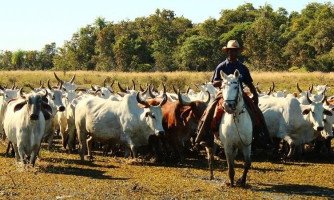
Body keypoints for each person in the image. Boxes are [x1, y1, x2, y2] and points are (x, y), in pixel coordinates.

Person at [194, 40, 273, 150]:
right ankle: (202, 137)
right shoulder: (221, 66)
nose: (233, 53)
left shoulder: (242, 67)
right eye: (231, 51)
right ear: (227, 52)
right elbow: (214, 82)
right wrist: (226, 83)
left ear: (238, 52)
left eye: (235, 51)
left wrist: (255, 94)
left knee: (256, 112)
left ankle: (263, 139)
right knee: (210, 110)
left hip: (239, 93)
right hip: (224, 93)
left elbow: (249, 82)